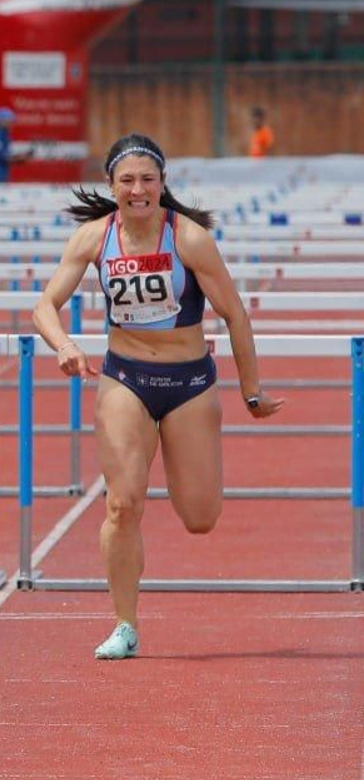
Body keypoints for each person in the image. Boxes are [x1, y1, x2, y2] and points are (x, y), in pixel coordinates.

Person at [31, 133, 284, 660]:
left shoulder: (188, 239)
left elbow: (235, 314)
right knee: (122, 504)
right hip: (125, 380)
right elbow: (45, 306)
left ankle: (190, 467)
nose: (139, 189)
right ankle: (125, 624)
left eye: (148, 179)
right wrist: (64, 345)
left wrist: (251, 390)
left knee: (200, 517)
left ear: (163, 184)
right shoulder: (94, 238)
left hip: (189, 383)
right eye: (128, 180)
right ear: (112, 186)